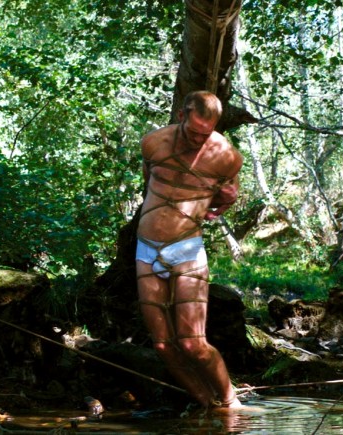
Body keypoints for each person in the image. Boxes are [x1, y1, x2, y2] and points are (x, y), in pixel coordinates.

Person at [135, 91, 243, 408]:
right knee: (162, 346)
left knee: (193, 344)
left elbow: (224, 199)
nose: (198, 139)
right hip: (145, 249)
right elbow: (151, 183)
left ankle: (231, 405)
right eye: (193, 131)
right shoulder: (153, 142)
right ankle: (207, 406)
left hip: (187, 250)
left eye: (205, 133)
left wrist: (225, 201)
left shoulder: (227, 156)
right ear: (181, 115)